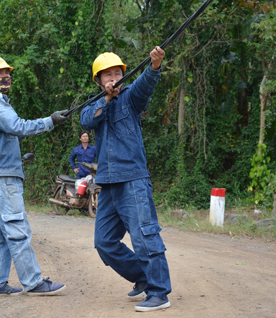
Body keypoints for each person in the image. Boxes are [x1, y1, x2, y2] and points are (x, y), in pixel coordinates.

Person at [80, 49, 172, 312]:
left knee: (144, 237)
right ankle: (142, 276)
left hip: (133, 179)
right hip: (108, 182)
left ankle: (158, 292)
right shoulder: (95, 103)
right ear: (98, 81)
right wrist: (106, 98)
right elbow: (87, 120)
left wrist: (154, 67)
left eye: (118, 73)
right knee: (104, 242)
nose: (114, 78)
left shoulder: (131, 97)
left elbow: (145, 85)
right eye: (108, 75)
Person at [0, 55, 68, 297]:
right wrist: (50, 121)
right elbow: (18, 126)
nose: (6, 78)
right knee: (17, 229)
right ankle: (33, 282)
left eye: (8, 73)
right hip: (2, 176)